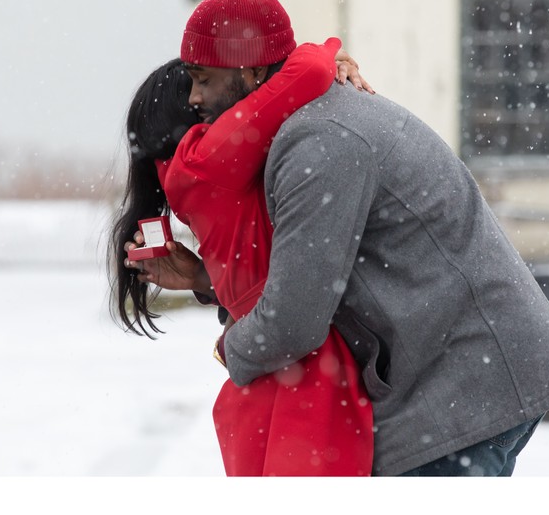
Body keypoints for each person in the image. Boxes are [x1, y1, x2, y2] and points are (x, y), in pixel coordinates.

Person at [138, 0, 549, 477]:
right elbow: (307, 279)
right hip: (459, 373)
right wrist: (205, 279)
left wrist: (232, 350)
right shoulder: (312, 120)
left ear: (250, 71)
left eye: (203, 78)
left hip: (465, 379)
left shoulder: (317, 140)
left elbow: (296, 320)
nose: (195, 98)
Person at [111, 38, 374, 475]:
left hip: (269, 392)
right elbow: (298, 79)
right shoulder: (211, 160)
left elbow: (263, 282)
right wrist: (323, 56)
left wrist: (205, 282)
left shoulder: (195, 181)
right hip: (305, 389)